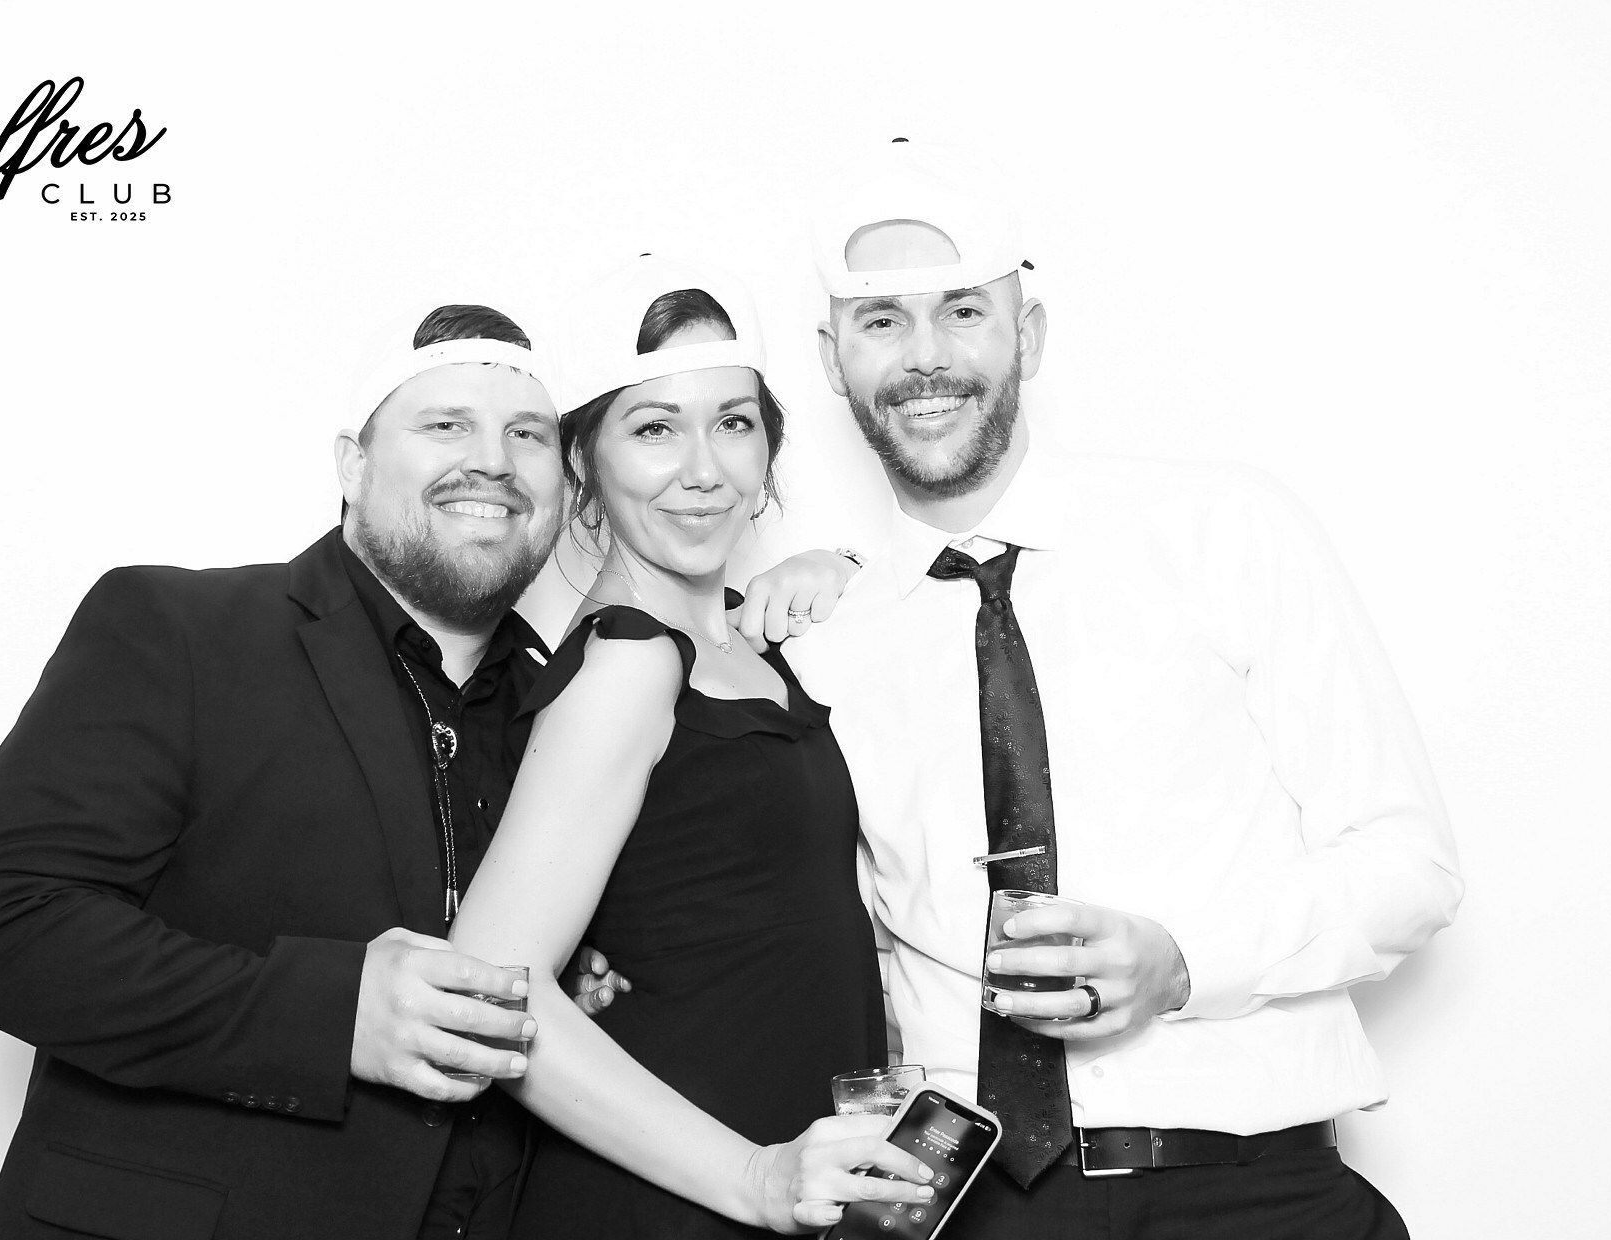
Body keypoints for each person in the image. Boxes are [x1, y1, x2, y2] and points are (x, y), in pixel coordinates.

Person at [776, 140, 1465, 1238]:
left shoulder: (1223, 531)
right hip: (979, 1205)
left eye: (963, 312)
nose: (924, 357)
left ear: (1029, 335)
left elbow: (1407, 865)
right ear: (831, 358)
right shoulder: (822, 643)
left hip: (1251, 1195)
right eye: (881, 321)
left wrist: (1183, 964)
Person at [0, 298, 572, 1240]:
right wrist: (335, 1013)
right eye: (446, 425)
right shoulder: (179, 630)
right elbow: (1, 933)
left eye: (528, 434)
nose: (494, 461)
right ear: (353, 464)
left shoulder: (570, 711)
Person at [445, 254, 937, 1238]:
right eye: (654, 428)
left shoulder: (749, 641)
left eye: (734, 423)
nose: (704, 470)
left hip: (793, 1178)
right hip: (670, 1198)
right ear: (582, 460)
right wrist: (752, 1178)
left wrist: (844, 566)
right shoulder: (626, 662)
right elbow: (493, 990)